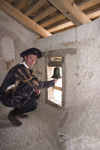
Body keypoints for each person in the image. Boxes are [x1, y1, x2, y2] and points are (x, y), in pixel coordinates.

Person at [0, 48, 57, 126]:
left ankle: (20, 110)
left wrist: (34, 88)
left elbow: (26, 83)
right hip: (6, 96)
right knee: (33, 104)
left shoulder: (26, 68)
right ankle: (13, 114)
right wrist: (52, 82)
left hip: (15, 91)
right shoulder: (20, 69)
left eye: (34, 59)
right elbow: (36, 83)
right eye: (31, 58)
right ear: (25, 57)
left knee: (35, 94)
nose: (33, 61)